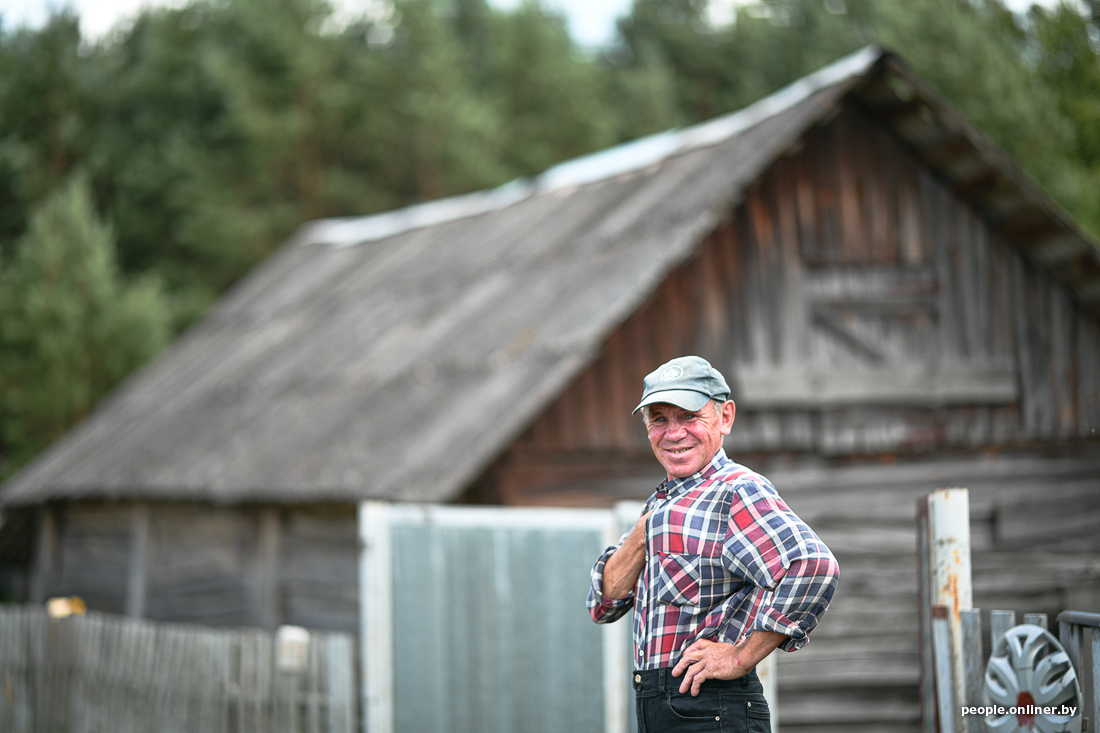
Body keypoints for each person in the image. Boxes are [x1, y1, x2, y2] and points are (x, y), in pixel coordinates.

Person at [587, 355, 839, 733]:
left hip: (711, 707)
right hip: (660, 706)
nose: (673, 433)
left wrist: (740, 657)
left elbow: (814, 567)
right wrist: (649, 527)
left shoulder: (736, 490)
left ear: (725, 418)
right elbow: (603, 604)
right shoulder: (660, 503)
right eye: (659, 419)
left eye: (689, 416)